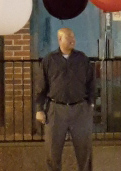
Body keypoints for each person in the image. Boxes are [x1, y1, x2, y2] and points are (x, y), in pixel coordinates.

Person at [35, 27, 95, 171]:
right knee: (52, 150)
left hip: (80, 109)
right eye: (69, 38)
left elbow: (91, 83)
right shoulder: (49, 60)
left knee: (84, 151)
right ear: (60, 39)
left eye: (73, 37)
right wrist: (39, 109)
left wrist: (91, 104)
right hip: (56, 110)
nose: (72, 40)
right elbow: (41, 86)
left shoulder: (82, 59)